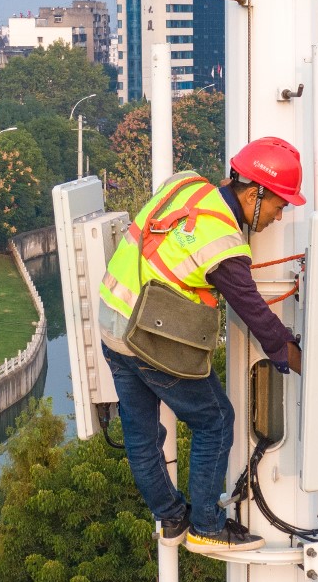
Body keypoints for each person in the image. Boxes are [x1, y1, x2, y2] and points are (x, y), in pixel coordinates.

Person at [99, 137, 305, 554]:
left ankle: (172, 516)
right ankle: (206, 527)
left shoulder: (187, 185)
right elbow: (256, 315)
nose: (278, 218)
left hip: (110, 323)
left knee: (141, 437)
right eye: (279, 206)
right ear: (253, 194)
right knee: (216, 421)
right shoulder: (224, 245)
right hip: (150, 339)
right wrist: (294, 357)